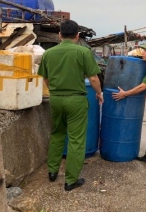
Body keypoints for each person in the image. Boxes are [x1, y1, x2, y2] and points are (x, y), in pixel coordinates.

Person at [38, 20, 104, 191]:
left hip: (56, 99)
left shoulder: (48, 53)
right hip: (76, 100)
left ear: (60, 34)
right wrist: (99, 93)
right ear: (78, 35)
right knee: (76, 139)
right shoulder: (83, 52)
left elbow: (45, 79)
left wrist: (55, 91)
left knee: (57, 134)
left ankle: (52, 172)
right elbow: (94, 78)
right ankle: (70, 181)